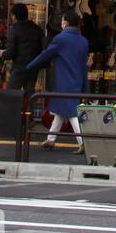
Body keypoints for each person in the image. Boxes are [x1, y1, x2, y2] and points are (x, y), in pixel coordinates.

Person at [24, 10, 90, 151]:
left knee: (71, 112)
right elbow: (84, 65)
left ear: (65, 23)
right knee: (60, 111)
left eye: (62, 20)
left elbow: (45, 55)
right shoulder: (83, 41)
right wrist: (86, 86)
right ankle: (50, 139)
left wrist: (29, 66)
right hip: (77, 79)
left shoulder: (61, 39)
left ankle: (83, 143)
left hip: (63, 80)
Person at [3, 3, 44, 93]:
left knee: (11, 94)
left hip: (19, 68)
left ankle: (14, 107)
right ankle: (28, 107)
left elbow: (10, 53)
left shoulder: (14, 29)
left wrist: (3, 54)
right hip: (33, 68)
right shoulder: (37, 29)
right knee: (30, 94)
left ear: (14, 16)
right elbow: (42, 48)